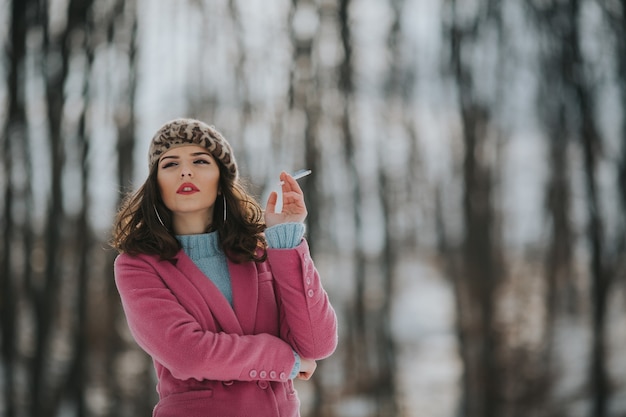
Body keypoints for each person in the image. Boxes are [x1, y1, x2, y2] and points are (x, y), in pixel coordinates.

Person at [111, 118, 338, 417]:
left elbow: (317, 344)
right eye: (169, 164)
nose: (185, 171)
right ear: (157, 185)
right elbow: (188, 354)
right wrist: (285, 361)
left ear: (221, 181)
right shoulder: (137, 266)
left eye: (200, 160)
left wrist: (286, 240)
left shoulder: (257, 253)